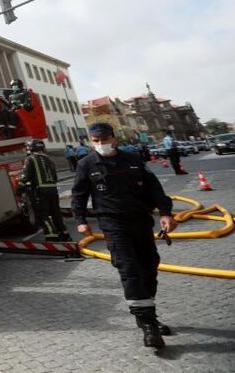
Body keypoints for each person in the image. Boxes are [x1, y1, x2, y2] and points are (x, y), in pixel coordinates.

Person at [72, 122, 177, 349]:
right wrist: (80, 222)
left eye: (104, 139)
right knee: (129, 270)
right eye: (96, 141)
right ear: (91, 141)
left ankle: (149, 314)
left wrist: (166, 213)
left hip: (140, 221)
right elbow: (78, 196)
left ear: (114, 138)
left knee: (149, 267)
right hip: (113, 225)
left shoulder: (133, 160)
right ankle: (148, 325)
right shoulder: (85, 164)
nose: (101, 144)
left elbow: (154, 188)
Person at [18, 139, 69, 241]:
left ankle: (52, 236)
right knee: (56, 213)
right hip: (53, 190)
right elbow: (54, 177)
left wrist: (19, 189)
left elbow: (25, 177)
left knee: (42, 214)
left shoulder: (30, 159)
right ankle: (64, 234)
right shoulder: (49, 160)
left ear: (30, 148)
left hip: (41, 191)